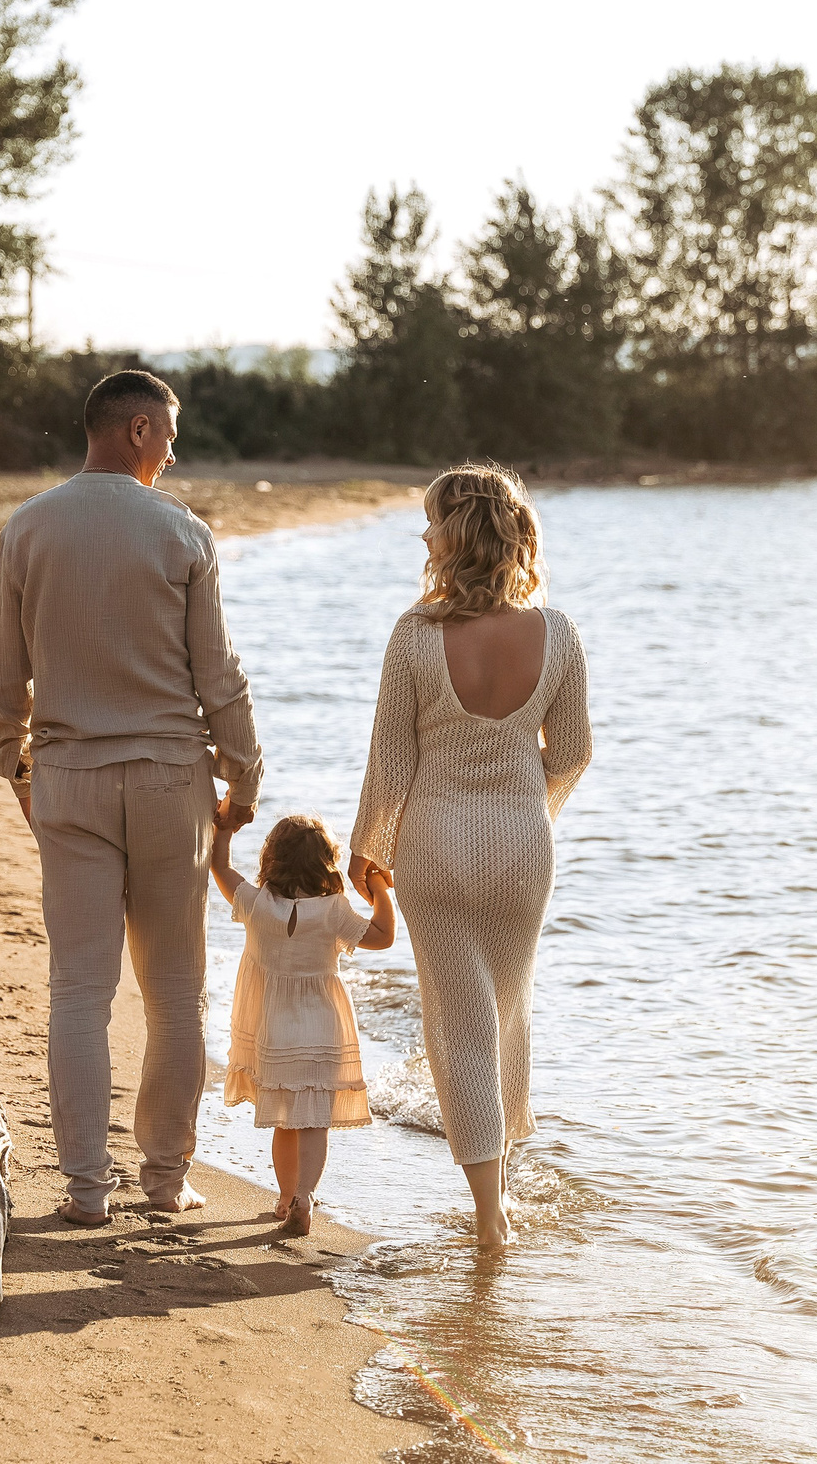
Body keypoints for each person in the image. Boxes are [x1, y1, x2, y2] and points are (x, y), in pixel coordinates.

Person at [0, 369, 263, 1227]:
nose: (174, 451)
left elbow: (5, 669)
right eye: (169, 434)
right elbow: (217, 674)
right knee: (175, 989)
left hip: (68, 774)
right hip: (173, 777)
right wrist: (243, 774)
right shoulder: (184, 533)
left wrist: (14, 763)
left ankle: (85, 1189)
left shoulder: (28, 527)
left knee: (79, 987)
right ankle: (166, 1177)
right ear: (136, 429)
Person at [349, 464, 592, 1248]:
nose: (421, 534)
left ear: (457, 535)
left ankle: (490, 1215)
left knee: (458, 1024)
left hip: (435, 846)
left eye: (430, 521)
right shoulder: (558, 633)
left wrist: (369, 851)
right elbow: (575, 752)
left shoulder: (415, 635)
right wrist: (530, 809)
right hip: (524, 848)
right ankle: (503, 1196)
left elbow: (390, 761)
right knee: (509, 1010)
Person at [208, 814, 394, 1235]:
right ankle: (305, 1195)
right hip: (323, 1026)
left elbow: (219, 866)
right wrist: (379, 887)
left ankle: (284, 1196)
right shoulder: (333, 911)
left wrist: (223, 829)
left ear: (271, 859)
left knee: (285, 1118)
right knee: (314, 1120)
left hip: (275, 1030)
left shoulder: (256, 904)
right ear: (327, 864)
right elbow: (383, 936)